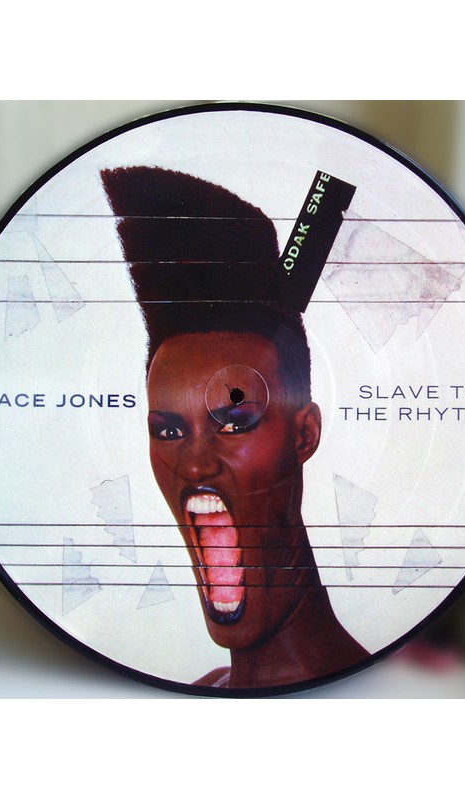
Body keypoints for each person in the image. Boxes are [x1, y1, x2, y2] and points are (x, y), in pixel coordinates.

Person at [101, 166, 369, 689]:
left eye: (234, 422)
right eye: (169, 431)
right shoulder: (208, 688)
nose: (195, 463)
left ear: (304, 434)